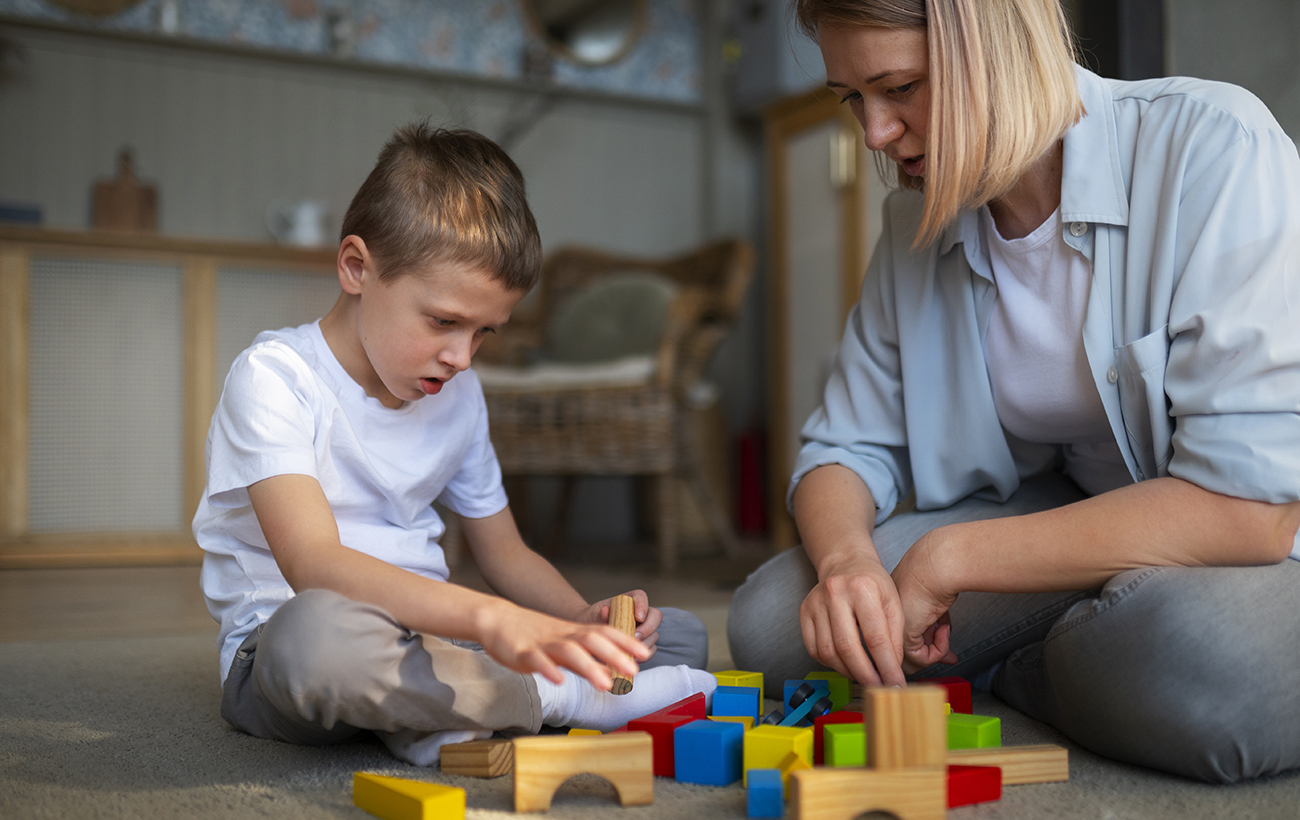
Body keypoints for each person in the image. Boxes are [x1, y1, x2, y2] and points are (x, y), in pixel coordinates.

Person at [728, 0, 1300, 783]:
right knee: (776, 629)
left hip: (1257, 537)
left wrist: (952, 557)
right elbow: (843, 449)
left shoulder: (1213, 145)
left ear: (993, 48)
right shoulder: (913, 225)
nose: (874, 134)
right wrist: (846, 565)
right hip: (1072, 513)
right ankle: (1087, 656)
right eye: (852, 98)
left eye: (901, 87)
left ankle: (1026, 669)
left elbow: (1251, 507)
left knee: (1203, 664)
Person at [193, 123, 714, 766]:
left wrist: (581, 619)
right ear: (357, 268)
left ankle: (439, 708)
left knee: (677, 638)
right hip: (290, 647)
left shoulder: (458, 395)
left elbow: (506, 554)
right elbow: (315, 566)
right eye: (443, 321)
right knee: (315, 642)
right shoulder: (274, 378)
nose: (462, 357)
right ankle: (561, 700)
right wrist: (493, 621)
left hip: (435, 642)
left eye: (485, 333)